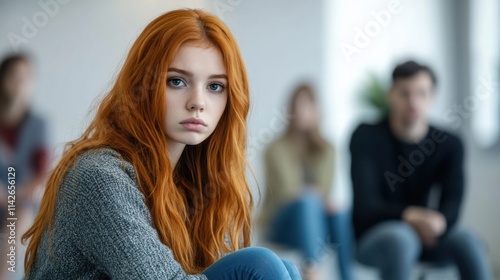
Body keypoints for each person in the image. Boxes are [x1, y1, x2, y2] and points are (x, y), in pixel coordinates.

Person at [21, 9, 301, 280]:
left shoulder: (193, 181)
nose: (198, 102)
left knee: (285, 268)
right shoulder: (98, 175)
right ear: (142, 86)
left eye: (215, 86)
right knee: (261, 266)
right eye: (177, 81)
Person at [350, 60, 494, 280]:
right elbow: (366, 207)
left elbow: (452, 204)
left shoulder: (449, 144)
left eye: (421, 93)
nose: (413, 101)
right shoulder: (365, 136)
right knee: (402, 238)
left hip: (429, 237)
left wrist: (438, 224)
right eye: (404, 93)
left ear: (433, 96)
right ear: (390, 95)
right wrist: (409, 216)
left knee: (467, 239)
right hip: (376, 239)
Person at [259, 83, 353, 280]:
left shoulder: (327, 149)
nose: (302, 111)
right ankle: (312, 270)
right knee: (307, 202)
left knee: (340, 214)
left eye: (308, 105)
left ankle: (348, 276)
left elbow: (325, 190)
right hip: (281, 223)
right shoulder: (275, 148)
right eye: (297, 105)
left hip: (314, 223)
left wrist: (319, 198)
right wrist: (314, 196)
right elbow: (287, 191)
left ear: (317, 110)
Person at [0, 53, 50, 280]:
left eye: (26, 78)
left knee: (19, 215)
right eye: (15, 76)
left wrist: (14, 195)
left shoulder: (38, 124)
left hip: (21, 201)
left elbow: (42, 173)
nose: (20, 83)